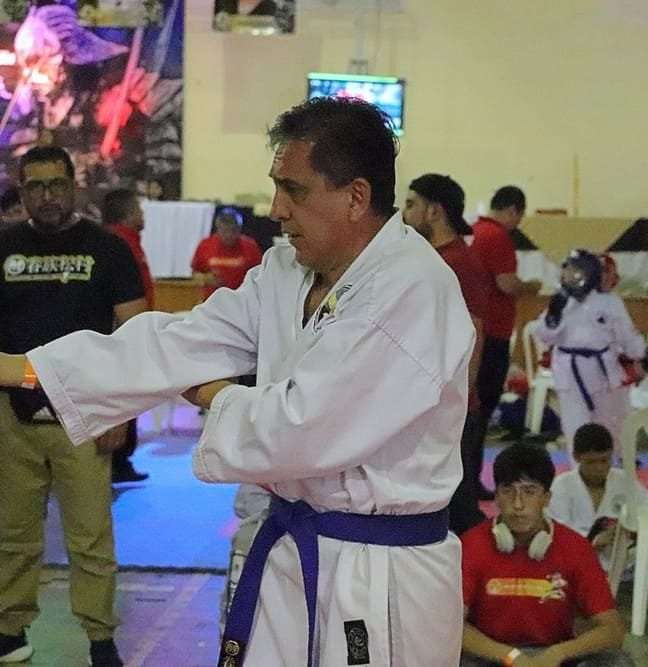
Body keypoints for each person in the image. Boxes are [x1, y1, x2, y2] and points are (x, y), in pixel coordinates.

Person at [0, 98, 475, 666]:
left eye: (293, 190)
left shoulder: (411, 288)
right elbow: (182, 340)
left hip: (380, 575)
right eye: (276, 187)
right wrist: (19, 368)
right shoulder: (287, 269)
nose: (276, 209)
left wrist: (206, 392)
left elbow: (298, 429)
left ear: (355, 196)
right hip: (291, 551)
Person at [0, 146, 147, 666]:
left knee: (90, 536)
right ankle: (9, 629)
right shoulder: (3, 247)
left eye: (57, 184)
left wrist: (121, 410)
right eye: (35, 186)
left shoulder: (108, 249)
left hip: (85, 412)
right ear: (21, 192)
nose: (47, 196)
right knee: (12, 534)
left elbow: (135, 336)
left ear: (74, 186)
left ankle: (100, 638)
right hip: (11, 415)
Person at [461, 443, 632, 667]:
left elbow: (613, 629)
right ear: (496, 497)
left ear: (547, 498)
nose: (518, 504)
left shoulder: (576, 547)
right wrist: (511, 657)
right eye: (508, 491)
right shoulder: (471, 545)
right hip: (493, 655)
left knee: (617, 662)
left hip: (552, 655)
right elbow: (453, 625)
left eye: (529, 492)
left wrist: (558, 654)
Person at [404, 172, 488, 533]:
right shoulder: (429, 258)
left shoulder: (459, 263)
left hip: (449, 404)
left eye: (411, 205)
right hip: (427, 397)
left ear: (434, 211)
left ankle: (474, 563)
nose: (404, 214)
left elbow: (475, 331)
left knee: (457, 504)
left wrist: (462, 397)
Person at [534, 249, 646, 461]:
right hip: (569, 371)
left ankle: (611, 466)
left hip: (602, 371)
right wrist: (553, 316)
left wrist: (639, 353)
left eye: (578, 271)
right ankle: (578, 471)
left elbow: (626, 336)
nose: (572, 276)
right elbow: (545, 336)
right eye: (569, 270)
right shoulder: (562, 301)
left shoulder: (610, 303)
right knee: (575, 424)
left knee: (609, 424)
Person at [470, 186, 542, 500]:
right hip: (492, 334)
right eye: (519, 216)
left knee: (474, 411)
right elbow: (506, 283)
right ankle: (471, 483)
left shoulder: (476, 231)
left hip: (478, 332)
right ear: (512, 210)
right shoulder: (497, 236)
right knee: (481, 411)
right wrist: (531, 287)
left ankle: (467, 482)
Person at [103, 188, 154, 483]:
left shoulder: (128, 241)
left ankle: (121, 461)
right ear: (127, 213)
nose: (142, 214)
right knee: (122, 395)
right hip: (124, 334)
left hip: (131, 330)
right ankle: (116, 460)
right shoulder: (117, 244)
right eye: (139, 209)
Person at [548, 422, 648, 571]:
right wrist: (594, 541)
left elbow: (645, 512)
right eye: (591, 462)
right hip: (574, 567)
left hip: (625, 566)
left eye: (605, 460)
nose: (599, 468)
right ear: (576, 457)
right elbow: (557, 535)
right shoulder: (561, 486)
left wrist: (632, 529)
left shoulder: (625, 481)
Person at [191, 207, 263, 300]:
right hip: (212, 300)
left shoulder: (250, 247)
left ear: (240, 229)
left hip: (242, 300)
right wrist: (206, 278)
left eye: (233, 231)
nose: (229, 235)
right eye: (224, 231)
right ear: (218, 229)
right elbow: (195, 274)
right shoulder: (205, 245)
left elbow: (260, 276)